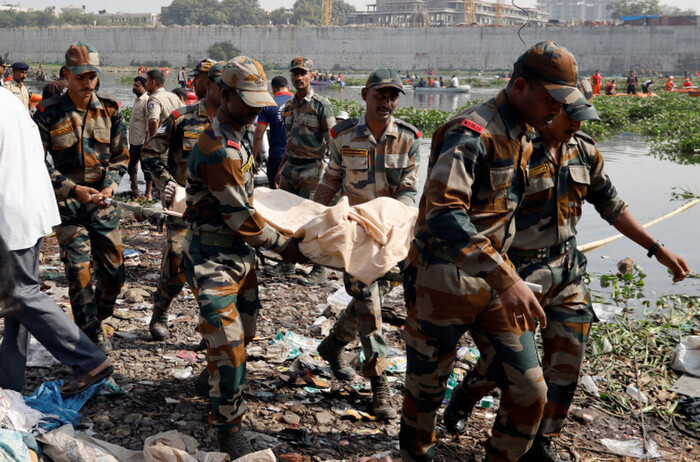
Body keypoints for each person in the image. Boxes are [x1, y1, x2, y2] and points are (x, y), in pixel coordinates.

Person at [446, 98, 690, 462]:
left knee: (567, 361)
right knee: (509, 364)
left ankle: (540, 442)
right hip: (517, 275)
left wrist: (657, 249)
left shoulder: (584, 150)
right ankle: (467, 395)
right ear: (550, 109)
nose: (576, 126)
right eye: (571, 118)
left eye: (582, 120)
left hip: (567, 273)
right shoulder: (519, 148)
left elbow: (612, 206)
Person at [400, 41, 587, 462]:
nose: (557, 110)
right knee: (426, 389)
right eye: (551, 99)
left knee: (530, 389)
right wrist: (507, 279)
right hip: (443, 281)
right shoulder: (471, 132)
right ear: (520, 86)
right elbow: (445, 214)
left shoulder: (525, 133)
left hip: (496, 282)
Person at [182, 56, 306, 459]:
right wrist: (287, 246)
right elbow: (240, 217)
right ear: (226, 95)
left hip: (239, 255)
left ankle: (211, 378)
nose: (256, 110)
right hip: (211, 257)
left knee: (247, 330)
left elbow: (248, 205)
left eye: (259, 102)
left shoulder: (239, 133)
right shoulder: (218, 148)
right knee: (231, 344)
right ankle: (228, 429)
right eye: (248, 101)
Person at [313, 68, 421, 419]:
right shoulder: (343, 136)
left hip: (391, 235)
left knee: (369, 299)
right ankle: (379, 384)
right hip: (355, 236)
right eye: (380, 95)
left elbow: (409, 190)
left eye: (393, 96)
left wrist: (393, 220)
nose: (387, 102)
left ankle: (332, 346)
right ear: (365, 95)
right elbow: (330, 180)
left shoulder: (408, 138)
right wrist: (310, 221)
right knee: (369, 304)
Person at [0, 86, 113, 394]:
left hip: (13, 210)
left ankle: (89, 360)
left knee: (21, 294)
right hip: (28, 206)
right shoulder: (9, 100)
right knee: (17, 300)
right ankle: (8, 383)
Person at [33, 42, 129, 354]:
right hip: (68, 204)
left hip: (103, 203)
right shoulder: (47, 113)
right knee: (79, 272)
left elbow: (120, 157)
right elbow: (37, 163)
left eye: (92, 76)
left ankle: (98, 317)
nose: (88, 83)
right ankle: (90, 336)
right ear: (66, 75)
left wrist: (110, 186)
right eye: (81, 77)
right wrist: (73, 190)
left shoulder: (111, 110)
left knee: (114, 274)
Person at [141, 59, 223, 341]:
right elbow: (150, 153)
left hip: (220, 211)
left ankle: (210, 329)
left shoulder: (235, 123)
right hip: (182, 208)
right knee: (177, 259)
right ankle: (161, 310)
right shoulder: (181, 118)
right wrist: (167, 183)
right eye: (208, 79)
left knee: (215, 271)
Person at [269, 57, 335, 284]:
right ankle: (287, 263)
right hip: (290, 168)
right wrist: (280, 169)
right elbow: (289, 141)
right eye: (295, 73)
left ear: (311, 75)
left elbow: (333, 143)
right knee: (286, 218)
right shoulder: (288, 106)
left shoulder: (321, 105)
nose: (298, 77)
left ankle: (319, 268)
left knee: (313, 220)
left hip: (312, 170)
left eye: (303, 73)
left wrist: (335, 176)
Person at [252, 75, 293, 189]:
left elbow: (259, 135)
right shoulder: (300, 102)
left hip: (276, 157)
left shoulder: (268, 105)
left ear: (273, 89)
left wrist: (253, 158)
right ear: (288, 87)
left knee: (276, 195)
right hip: (297, 157)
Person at [145, 69, 180, 198]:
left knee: (165, 186)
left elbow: (153, 121)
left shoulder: (154, 99)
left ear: (153, 82)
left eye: (146, 81)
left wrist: (152, 145)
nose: (145, 84)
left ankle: (166, 208)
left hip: (162, 148)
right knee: (176, 185)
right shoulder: (174, 97)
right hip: (177, 147)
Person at [129, 76, 149, 198]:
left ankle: (148, 193)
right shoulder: (137, 100)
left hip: (142, 141)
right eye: (134, 85)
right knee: (132, 164)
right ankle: (135, 190)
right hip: (133, 140)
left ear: (145, 87)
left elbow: (149, 123)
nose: (134, 87)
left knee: (146, 167)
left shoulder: (147, 101)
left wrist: (147, 141)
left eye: (137, 86)